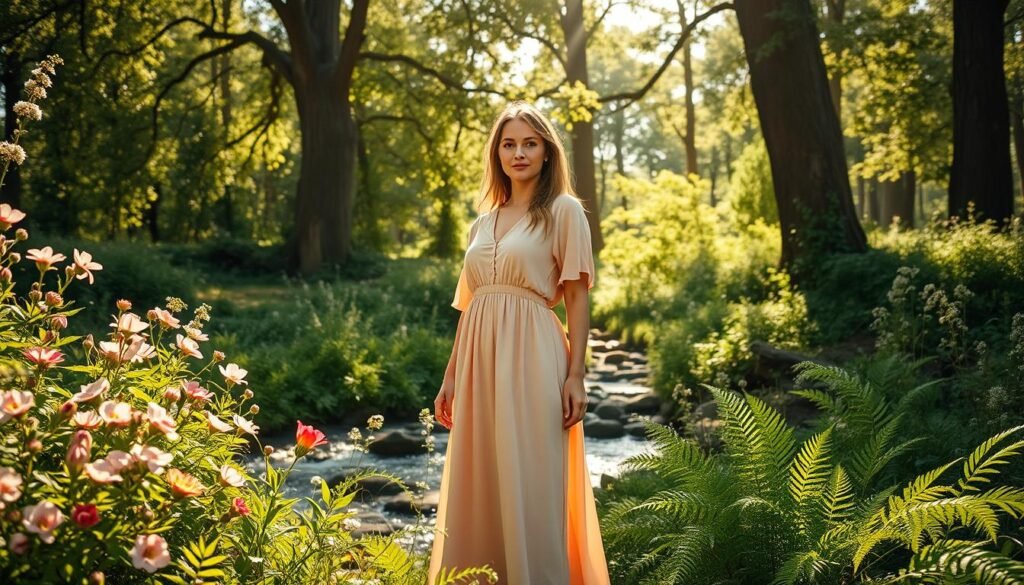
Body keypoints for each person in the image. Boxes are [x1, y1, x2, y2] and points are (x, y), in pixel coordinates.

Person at [429, 101, 611, 584]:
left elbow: (576, 298)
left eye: (530, 143)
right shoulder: (481, 223)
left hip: (534, 357)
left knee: (532, 479)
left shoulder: (564, 211)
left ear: (547, 152)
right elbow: (470, 308)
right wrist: (450, 378)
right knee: (478, 482)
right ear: (497, 153)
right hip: (477, 364)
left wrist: (576, 375)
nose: (519, 153)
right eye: (509, 144)